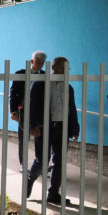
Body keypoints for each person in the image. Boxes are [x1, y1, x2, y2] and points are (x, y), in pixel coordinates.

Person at [27, 57, 80, 205]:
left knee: (59, 161)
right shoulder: (40, 83)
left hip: (62, 128)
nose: (64, 71)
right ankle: (29, 179)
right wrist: (33, 125)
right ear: (54, 68)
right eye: (62, 68)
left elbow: (71, 108)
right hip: (44, 127)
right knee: (42, 160)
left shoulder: (68, 87)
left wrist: (75, 128)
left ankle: (53, 193)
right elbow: (31, 104)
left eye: (67, 69)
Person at [8, 50, 46, 172]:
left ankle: (39, 165)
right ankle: (23, 163)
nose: (39, 65)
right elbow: (13, 93)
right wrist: (13, 111)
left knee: (39, 138)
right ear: (32, 61)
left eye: (42, 63)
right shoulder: (20, 73)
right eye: (37, 62)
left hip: (38, 111)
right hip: (23, 110)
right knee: (23, 138)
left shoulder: (45, 75)